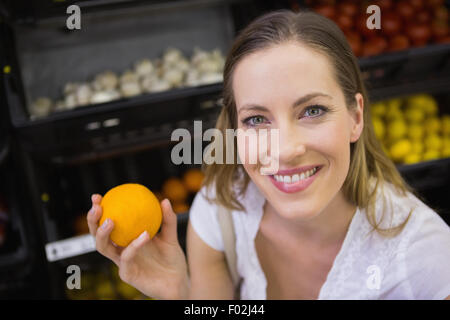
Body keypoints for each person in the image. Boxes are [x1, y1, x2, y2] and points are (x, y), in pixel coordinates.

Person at [87, 10, 450, 300]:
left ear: (356, 117)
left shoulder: (425, 259)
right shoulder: (221, 213)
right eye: (257, 119)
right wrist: (179, 294)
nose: (286, 150)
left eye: (312, 111)